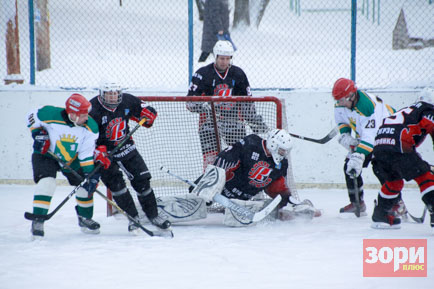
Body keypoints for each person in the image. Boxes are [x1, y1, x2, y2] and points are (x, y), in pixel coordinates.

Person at [178, 129, 319, 226]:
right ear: (273, 144)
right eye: (282, 150)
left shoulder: (281, 164)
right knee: (196, 196)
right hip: (222, 187)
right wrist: (210, 184)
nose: (283, 154)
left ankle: (298, 206)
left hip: (240, 200)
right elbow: (223, 158)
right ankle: (183, 204)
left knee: (277, 195)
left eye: (286, 151)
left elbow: (279, 187)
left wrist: (289, 204)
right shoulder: (252, 143)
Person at [89, 81, 171, 232]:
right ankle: (133, 217)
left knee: (143, 181)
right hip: (105, 154)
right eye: (109, 93)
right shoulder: (92, 109)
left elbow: (145, 108)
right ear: (102, 94)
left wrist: (150, 113)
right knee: (117, 187)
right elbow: (85, 137)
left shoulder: (127, 100)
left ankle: (153, 215)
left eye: (115, 93)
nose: (113, 97)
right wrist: (96, 151)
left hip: (126, 146)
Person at [26, 94, 108, 239]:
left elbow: (85, 154)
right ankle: (38, 220)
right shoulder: (49, 113)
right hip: (47, 154)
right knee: (47, 183)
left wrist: (90, 174)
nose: (86, 118)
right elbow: (31, 116)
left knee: (85, 185)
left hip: (72, 158)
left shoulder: (91, 127)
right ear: (72, 114)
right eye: (82, 115)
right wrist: (37, 133)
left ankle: (85, 218)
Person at [188, 40, 268, 170]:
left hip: (234, 121)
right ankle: (209, 184)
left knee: (238, 157)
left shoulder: (238, 74)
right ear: (215, 56)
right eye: (221, 58)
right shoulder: (203, 74)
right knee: (211, 159)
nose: (224, 61)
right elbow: (190, 102)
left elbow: (247, 101)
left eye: (227, 58)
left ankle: (236, 186)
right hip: (209, 122)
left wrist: (254, 121)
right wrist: (203, 106)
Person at [332, 78, 403, 216]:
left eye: (341, 100)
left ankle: (397, 203)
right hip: (368, 135)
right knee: (350, 166)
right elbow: (342, 121)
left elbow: (370, 138)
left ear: (351, 96)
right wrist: (346, 136)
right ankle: (357, 203)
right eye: (338, 100)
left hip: (389, 132)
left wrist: (359, 154)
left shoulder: (368, 106)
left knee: (381, 167)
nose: (339, 103)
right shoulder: (340, 103)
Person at [371, 88, 434, 229]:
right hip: (398, 147)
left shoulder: (407, 110)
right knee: (425, 176)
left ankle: (380, 215)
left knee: (394, 183)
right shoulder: (428, 110)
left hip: (379, 149)